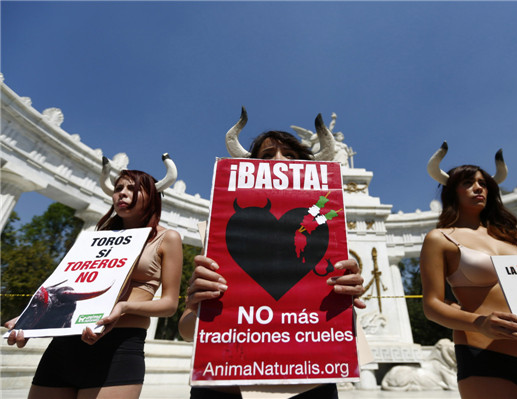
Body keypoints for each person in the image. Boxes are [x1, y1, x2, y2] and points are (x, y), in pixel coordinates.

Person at [178, 109, 366, 398]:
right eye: (266, 156)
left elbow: (340, 332)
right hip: (226, 382)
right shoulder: (221, 231)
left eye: (290, 155)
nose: (279, 161)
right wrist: (197, 303)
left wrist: (344, 300)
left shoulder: (326, 228)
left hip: (310, 381)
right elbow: (188, 331)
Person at [5, 155, 183, 399]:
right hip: (66, 344)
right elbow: (65, 290)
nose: (122, 193)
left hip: (120, 347)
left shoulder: (167, 238)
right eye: (118, 188)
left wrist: (124, 307)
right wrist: (31, 320)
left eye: (132, 188)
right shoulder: (94, 238)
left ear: (151, 196)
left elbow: (170, 305)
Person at [419, 142, 517, 399]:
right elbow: (432, 305)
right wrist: (480, 323)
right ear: (451, 191)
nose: (478, 188)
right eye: (467, 182)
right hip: (486, 355)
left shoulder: (513, 240)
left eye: (483, 183)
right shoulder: (440, 238)